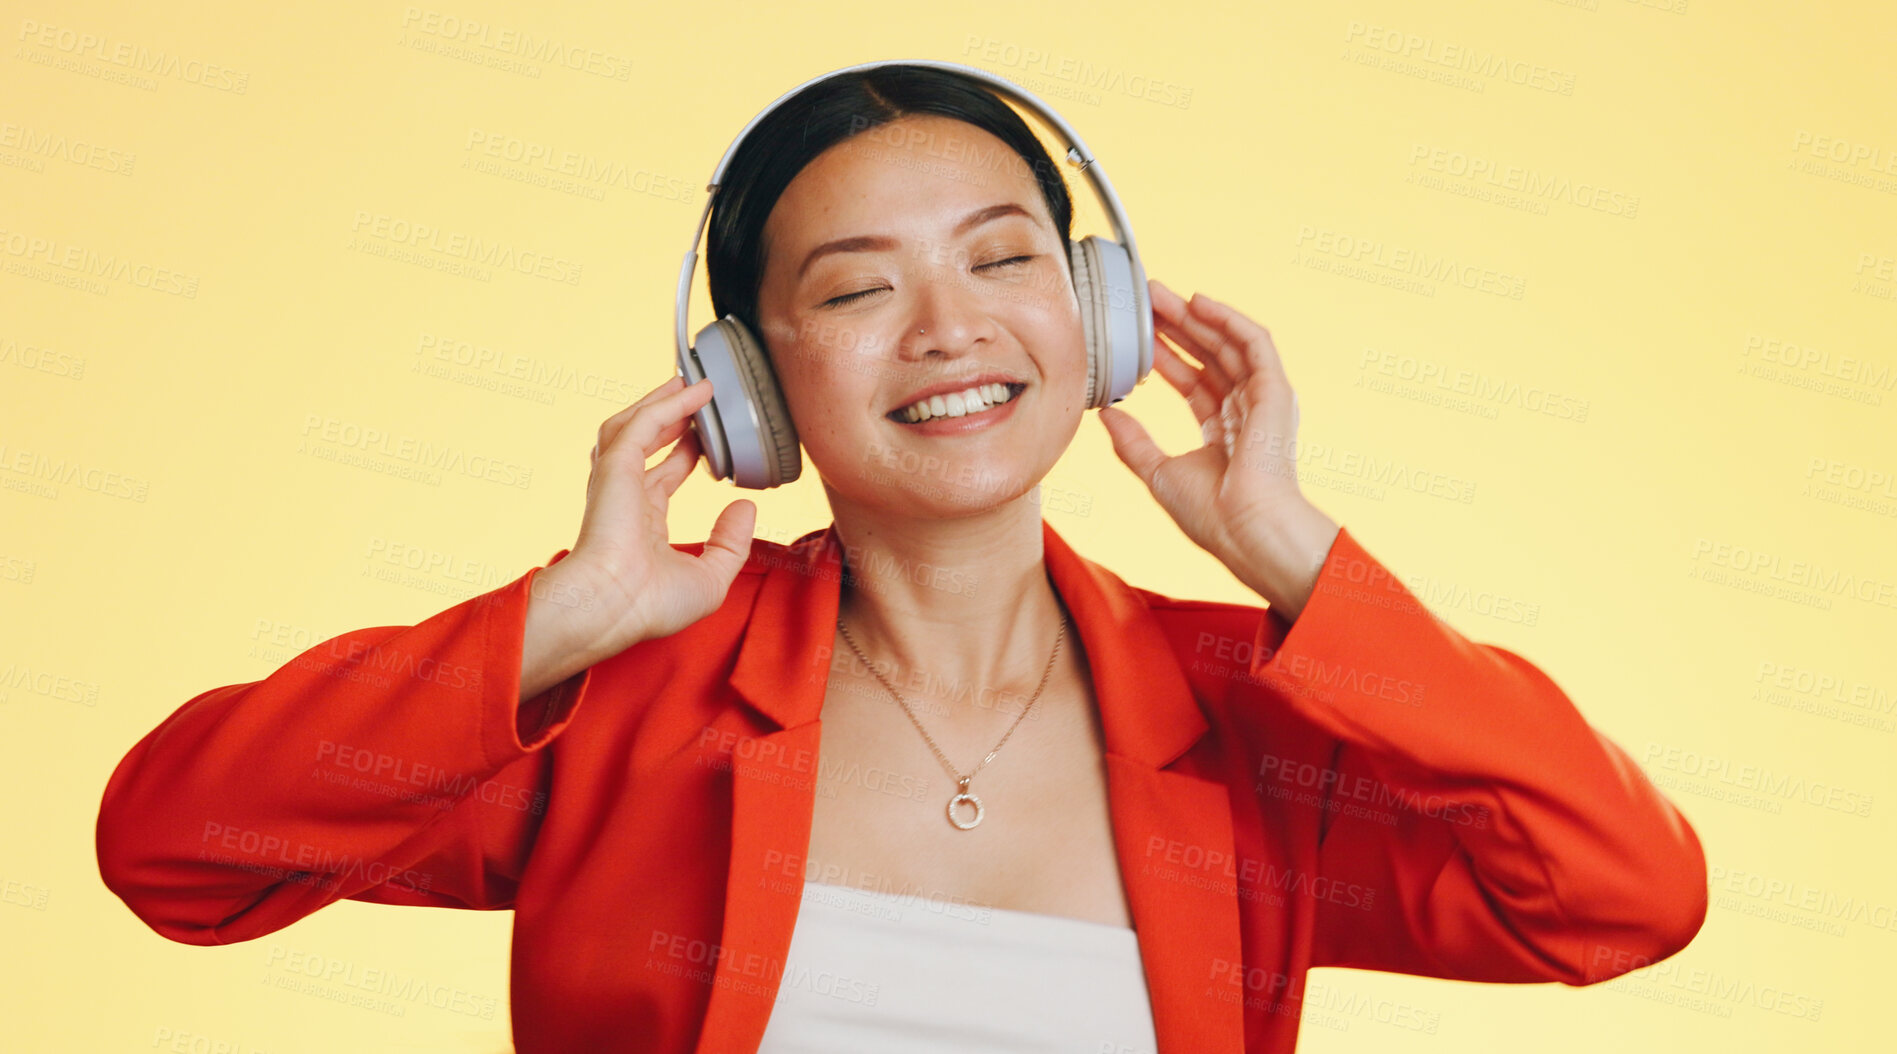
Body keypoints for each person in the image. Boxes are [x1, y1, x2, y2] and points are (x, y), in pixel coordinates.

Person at [97, 65, 1708, 1053]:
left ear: (1101, 316)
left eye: (1005, 259)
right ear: (747, 385)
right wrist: (563, 613)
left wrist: (1293, 552)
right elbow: (177, 846)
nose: (951, 330)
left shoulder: (1254, 734)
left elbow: (1619, 897)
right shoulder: (626, 708)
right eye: (859, 289)